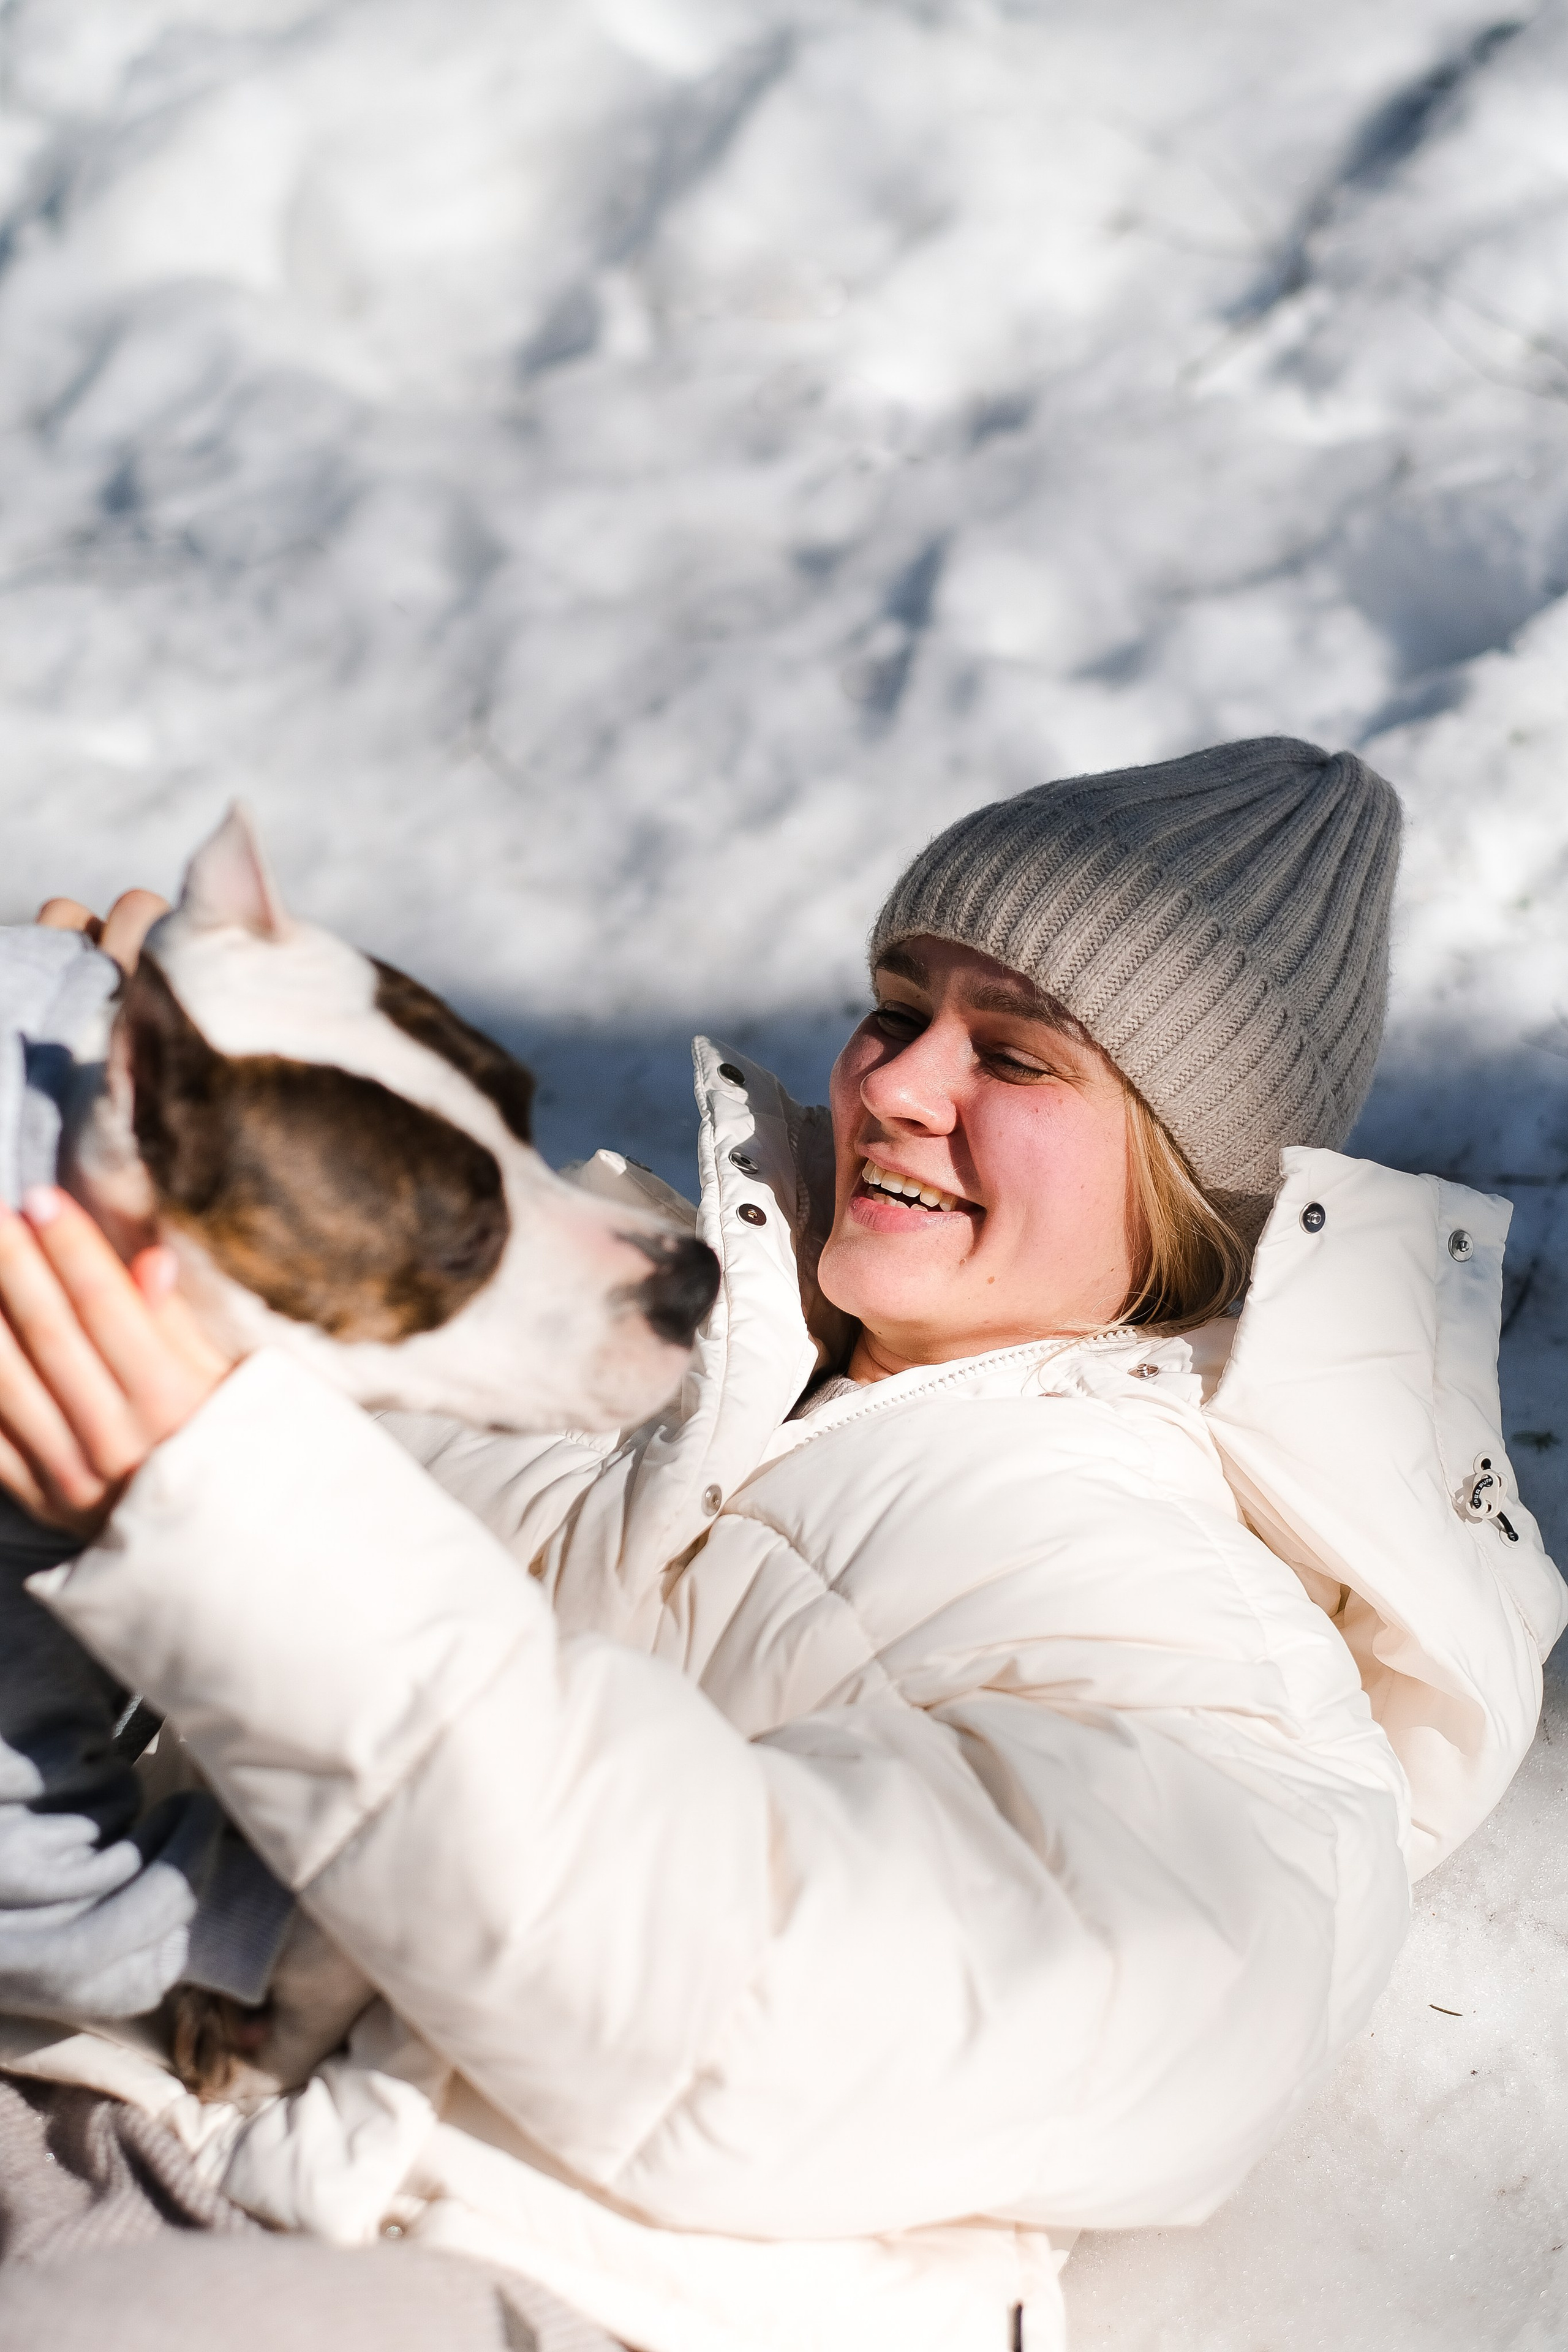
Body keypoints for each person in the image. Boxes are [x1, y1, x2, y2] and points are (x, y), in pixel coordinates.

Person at [0, 737, 1558, 2352]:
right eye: (898, 1008)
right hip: (98, 2086)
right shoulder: (640, 1340)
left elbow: (778, 2013)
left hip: (437, 2270)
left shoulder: (1206, 1658)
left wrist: (228, 1524)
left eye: (1016, 1059)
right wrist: (174, 1180)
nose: (894, 1084)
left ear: (1192, 1183)